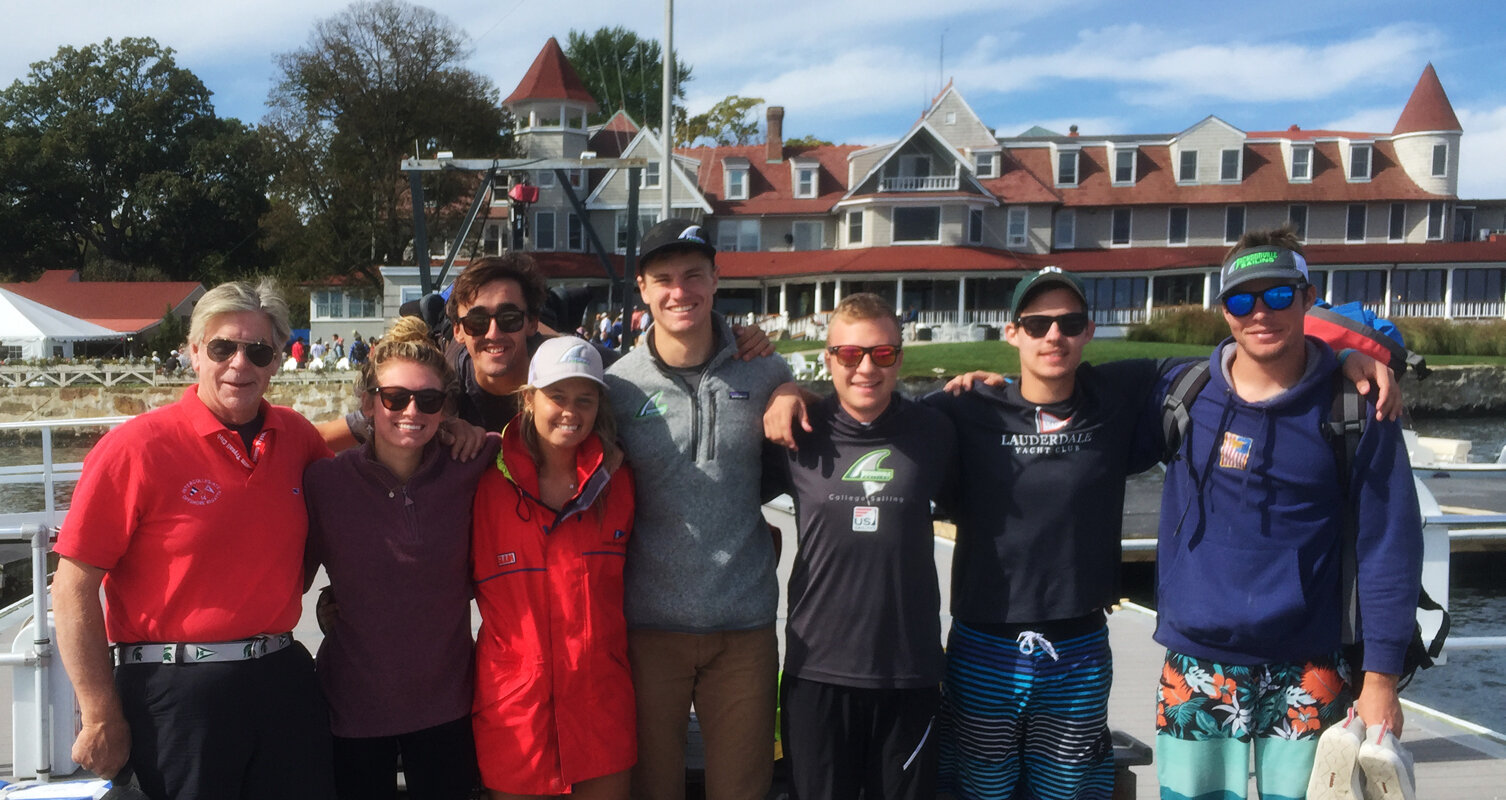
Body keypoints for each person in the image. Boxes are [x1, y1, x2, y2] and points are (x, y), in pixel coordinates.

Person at [765, 267, 1399, 800]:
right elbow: (868, 416)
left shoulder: (1121, 395)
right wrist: (790, 387)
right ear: (1011, 332)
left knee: (1070, 790)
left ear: (1088, 331)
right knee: (978, 789)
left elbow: (1249, 354)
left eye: (1068, 322)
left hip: (1080, 646)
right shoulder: (958, 411)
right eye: (1037, 324)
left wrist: (1343, 355)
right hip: (983, 641)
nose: (1053, 335)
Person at [1150, 232, 1423, 800]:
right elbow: (1071, 394)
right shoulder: (1183, 391)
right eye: (1242, 301)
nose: (1259, 314)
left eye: (1277, 297)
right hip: (1197, 664)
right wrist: (985, 390)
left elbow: (1389, 547)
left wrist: (1381, 681)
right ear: (1224, 309)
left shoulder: (1357, 407)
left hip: (1310, 666)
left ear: (1307, 298)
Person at [53, 279, 336, 799]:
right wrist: (98, 715)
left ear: (276, 361)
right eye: (223, 347)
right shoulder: (136, 448)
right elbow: (72, 586)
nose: (239, 364)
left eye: (258, 351)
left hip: (281, 679)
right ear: (193, 353)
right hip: (175, 694)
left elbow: (350, 487)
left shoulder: (297, 437)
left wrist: (454, 430)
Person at [604, 218, 793, 800]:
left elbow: (819, 409)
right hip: (647, 628)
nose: (678, 291)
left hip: (744, 628)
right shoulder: (617, 387)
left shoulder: (764, 371)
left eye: (693, 275)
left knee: (743, 788)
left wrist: (792, 391)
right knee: (652, 788)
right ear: (642, 287)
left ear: (715, 279)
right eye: (663, 278)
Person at [769, 293, 957, 800]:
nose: (866, 368)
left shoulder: (936, 432)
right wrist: (786, 387)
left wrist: (984, 386)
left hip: (909, 669)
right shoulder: (797, 432)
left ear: (900, 356)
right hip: (817, 669)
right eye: (850, 355)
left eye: (883, 354)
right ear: (829, 358)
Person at [303, 316, 499, 800]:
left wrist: (614, 451)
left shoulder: (474, 462)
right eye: (394, 398)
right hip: (352, 704)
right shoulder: (324, 483)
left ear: (444, 408)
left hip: (447, 704)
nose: (411, 410)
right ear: (369, 403)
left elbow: (549, 441)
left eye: (428, 400)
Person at [315, 254, 773, 452]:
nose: (493, 333)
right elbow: (330, 435)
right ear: (458, 329)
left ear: (532, 322)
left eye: (510, 319)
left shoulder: (571, 365)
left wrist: (736, 345)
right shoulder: (439, 386)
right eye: (477, 322)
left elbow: (661, 371)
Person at [471, 336, 636, 798]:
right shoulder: (484, 481)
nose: (571, 411)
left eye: (585, 399)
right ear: (528, 398)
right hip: (517, 715)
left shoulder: (620, 483)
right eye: (557, 396)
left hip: (601, 708)